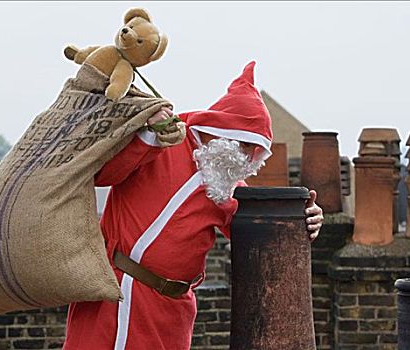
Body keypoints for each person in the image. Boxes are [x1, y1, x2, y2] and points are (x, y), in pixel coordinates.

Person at [63, 61, 324, 350]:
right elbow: (103, 174)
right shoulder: (162, 140)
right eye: (245, 145)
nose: (247, 158)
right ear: (224, 130)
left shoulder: (227, 185)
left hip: (173, 309)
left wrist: (303, 222)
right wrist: (145, 136)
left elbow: (261, 234)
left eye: (254, 150)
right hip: (118, 294)